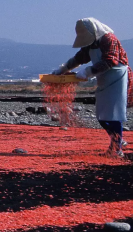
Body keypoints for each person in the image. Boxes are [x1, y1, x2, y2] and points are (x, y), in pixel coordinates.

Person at [52, 18, 132, 157]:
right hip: (103, 77)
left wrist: (88, 72)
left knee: (113, 113)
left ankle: (116, 148)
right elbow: (80, 58)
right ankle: (117, 139)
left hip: (117, 75)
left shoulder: (108, 38)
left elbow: (111, 60)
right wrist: (63, 69)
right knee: (102, 114)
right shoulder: (92, 42)